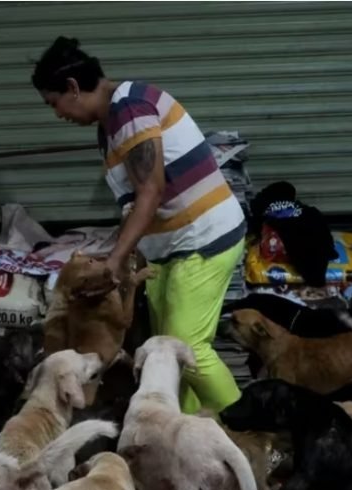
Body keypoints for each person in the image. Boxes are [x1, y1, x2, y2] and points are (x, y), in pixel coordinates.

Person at [32, 36, 248, 414]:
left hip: (202, 238)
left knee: (187, 347)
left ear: (72, 88)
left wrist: (115, 261)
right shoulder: (110, 126)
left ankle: (254, 433)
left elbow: (151, 192)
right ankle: (185, 431)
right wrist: (122, 257)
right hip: (171, 248)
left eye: (55, 104)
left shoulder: (129, 108)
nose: (58, 115)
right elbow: (135, 204)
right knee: (166, 351)